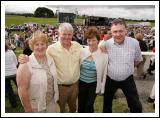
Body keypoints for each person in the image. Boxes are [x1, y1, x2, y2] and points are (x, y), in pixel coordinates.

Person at [18, 23, 83, 113]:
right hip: (61, 87)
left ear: (72, 34)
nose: (67, 37)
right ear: (59, 34)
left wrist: (102, 47)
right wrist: (24, 57)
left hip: (75, 86)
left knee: (73, 108)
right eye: (64, 34)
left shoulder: (78, 46)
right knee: (61, 110)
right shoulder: (51, 49)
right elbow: (38, 53)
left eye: (69, 34)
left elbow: (88, 51)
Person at [102, 19, 143, 113]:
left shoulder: (134, 43)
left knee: (136, 106)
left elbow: (137, 60)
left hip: (128, 79)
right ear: (111, 32)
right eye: (115, 31)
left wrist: (126, 68)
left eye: (121, 31)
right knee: (107, 106)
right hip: (110, 79)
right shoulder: (106, 44)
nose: (118, 34)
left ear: (126, 31)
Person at [16, 31, 59, 113]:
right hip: (36, 107)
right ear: (32, 47)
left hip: (51, 102)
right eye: (37, 44)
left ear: (46, 46)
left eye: (42, 44)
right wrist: (28, 110)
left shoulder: (51, 59)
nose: (40, 47)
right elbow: (22, 90)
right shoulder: (26, 64)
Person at [78, 27, 108, 113]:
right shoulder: (82, 51)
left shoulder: (103, 54)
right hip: (81, 83)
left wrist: (102, 87)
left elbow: (104, 72)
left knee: (89, 105)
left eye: (94, 40)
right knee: (81, 104)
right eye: (89, 40)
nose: (91, 43)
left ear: (98, 40)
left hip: (93, 84)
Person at [5, 43, 18, 108]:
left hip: (6, 74)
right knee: (20, 87)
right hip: (14, 72)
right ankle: (22, 100)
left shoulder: (10, 51)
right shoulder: (11, 52)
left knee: (8, 90)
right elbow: (16, 62)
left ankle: (14, 104)